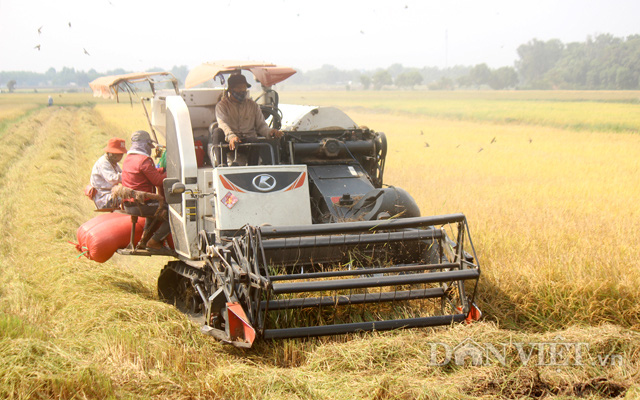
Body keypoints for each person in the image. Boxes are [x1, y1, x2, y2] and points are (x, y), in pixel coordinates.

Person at [215, 74, 284, 165]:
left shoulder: (253, 106)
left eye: (244, 88)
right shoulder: (222, 106)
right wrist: (231, 136)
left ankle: (253, 168)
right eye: (239, 88)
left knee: (254, 141)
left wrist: (270, 132)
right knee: (217, 132)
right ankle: (221, 166)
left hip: (247, 141)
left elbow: (261, 126)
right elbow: (223, 124)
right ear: (231, 89)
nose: (242, 91)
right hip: (229, 142)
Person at [121, 130, 169, 251]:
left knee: (153, 208)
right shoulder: (144, 160)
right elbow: (157, 181)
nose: (150, 149)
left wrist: (157, 171)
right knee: (173, 213)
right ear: (144, 144)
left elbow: (143, 175)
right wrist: (171, 173)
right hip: (141, 204)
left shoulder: (128, 159)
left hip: (129, 204)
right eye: (149, 146)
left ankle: (144, 240)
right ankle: (154, 241)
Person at [89, 137, 127, 209]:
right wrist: (129, 176)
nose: (122, 156)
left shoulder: (113, 163)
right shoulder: (103, 163)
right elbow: (113, 179)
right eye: (120, 154)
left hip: (110, 194)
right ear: (112, 153)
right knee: (129, 201)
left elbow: (122, 173)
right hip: (104, 198)